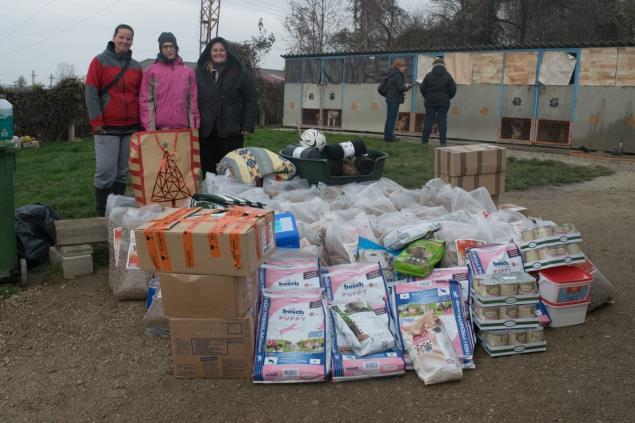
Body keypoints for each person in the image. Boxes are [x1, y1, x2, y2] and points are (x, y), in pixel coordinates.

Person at [85, 24, 143, 216]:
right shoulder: (99, 61)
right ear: (114, 37)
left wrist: (141, 123)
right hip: (106, 127)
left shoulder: (135, 66)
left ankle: (116, 212)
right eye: (122, 37)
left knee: (122, 173)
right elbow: (91, 92)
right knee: (105, 173)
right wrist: (96, 122)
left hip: (130, 127)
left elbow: (140, 95)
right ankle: (102, 213)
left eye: (129, 38)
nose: (125, 41)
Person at [195, 36, 257, 175]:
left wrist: (247, 124)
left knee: (230, 167)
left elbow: (250, 99)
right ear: (209, 53)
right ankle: (209, 192)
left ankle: (228, 194)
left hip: (231, 128)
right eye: (215, 50)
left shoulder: (240, 72)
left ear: (227, 52)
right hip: (207, 128)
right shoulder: (199, 73)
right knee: (208, 166)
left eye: (221, 50)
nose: (218, 53)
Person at [139, 32, 199, 131]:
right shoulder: (151, 71)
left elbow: (192, 102)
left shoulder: (188, 72)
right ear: (160, 49)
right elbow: (146, 102)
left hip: (184, 129)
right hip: (160, 130)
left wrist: (194, 128)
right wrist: (150, 128)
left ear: (176, 48)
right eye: (165, 47)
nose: (169, 50)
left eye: (171, 46)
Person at [420, 58, 457, 147]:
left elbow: (422, 88)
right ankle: (443, 142)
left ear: (434, 65)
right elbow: (453, 89)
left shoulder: (428, 75)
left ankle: (425, 141)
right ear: (443, 65)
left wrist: (427, 96)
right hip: (443, 101)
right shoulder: (448, 76)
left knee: (428, 121)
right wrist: (448, 97)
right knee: (442, 121)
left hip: (430, 101)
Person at [383, 58, 411, 142]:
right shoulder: (397, 74)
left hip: (390, 98)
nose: (404, 68)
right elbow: (400, 88)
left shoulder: (392, 73)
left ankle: (388, 135)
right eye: (403, 66)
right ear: (398, 66)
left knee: (389, 118)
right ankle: (390, 137)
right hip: (394, 99)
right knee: (392, 118)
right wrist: (407, 87)